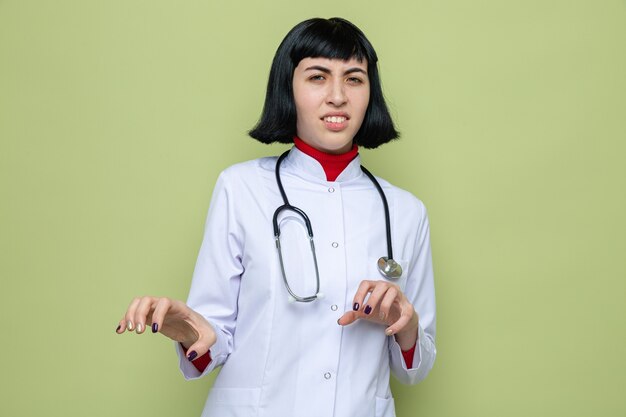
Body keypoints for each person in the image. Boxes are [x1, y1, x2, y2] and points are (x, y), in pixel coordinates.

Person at [115, 17, 436, 417]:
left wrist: (405, 324)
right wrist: (186, 327)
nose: (337, 96)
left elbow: (415, 369)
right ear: (289, 87)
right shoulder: (241, 188)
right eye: (317, 77)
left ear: (371, 92)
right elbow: (213, 340)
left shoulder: (405, 212)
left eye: (354, 79)